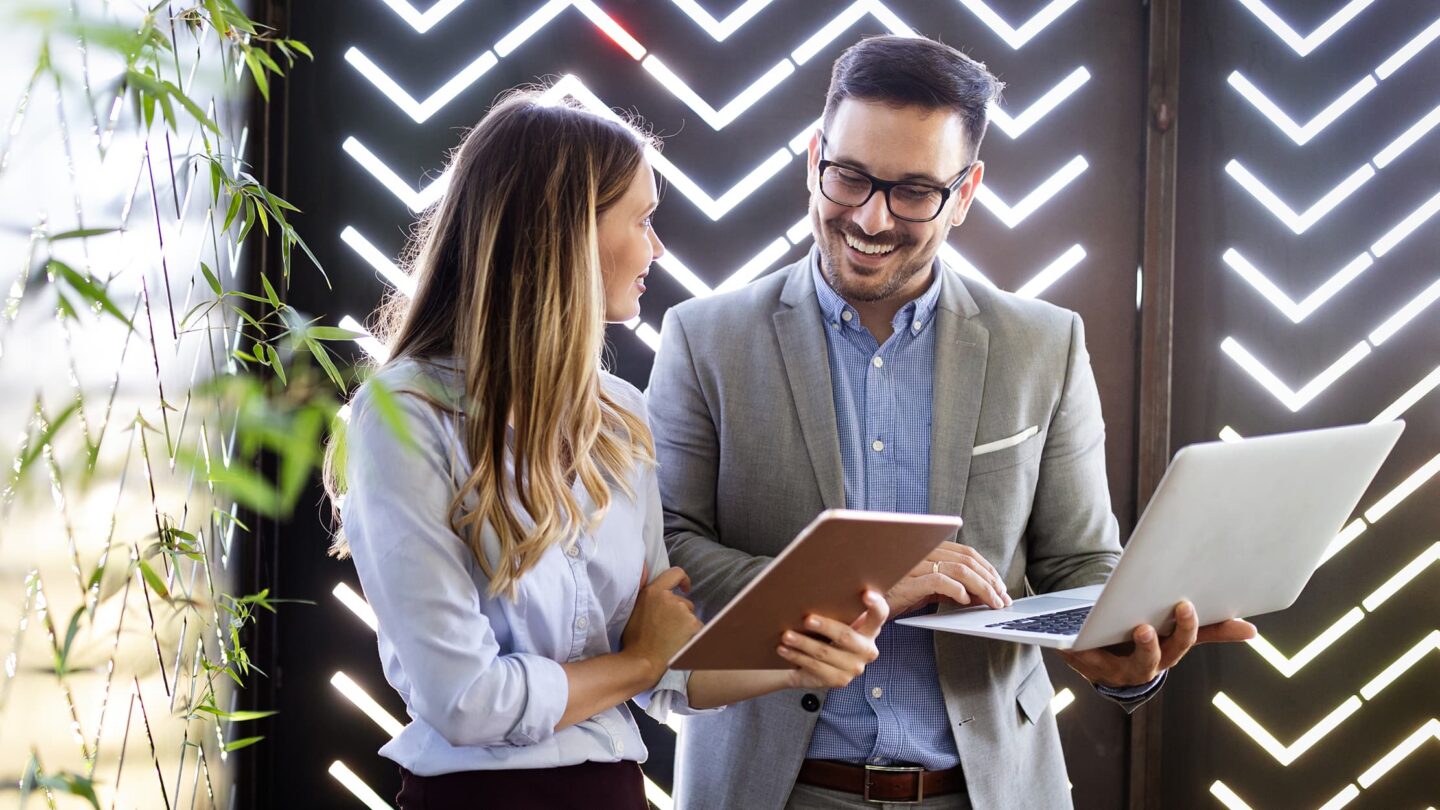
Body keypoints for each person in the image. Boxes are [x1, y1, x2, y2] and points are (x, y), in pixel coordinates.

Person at [646, 36, 1256, 810]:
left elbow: (1081, 562)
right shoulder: (706, 338)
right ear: (813, 159)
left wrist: (1124, 650)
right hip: (771, 787)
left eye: (913, 191)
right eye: (850, 177)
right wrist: (870, 591)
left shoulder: (1045, 343)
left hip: (990, 791)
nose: (870, 216)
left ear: (965, 192)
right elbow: (667, 551)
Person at [325, 90, 889, 810]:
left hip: (614, 792)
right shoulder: (404, 415)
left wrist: (803, 662)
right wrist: (638, 660)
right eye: (643, 219)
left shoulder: (621, 415)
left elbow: (669, 672)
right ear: (562, 234)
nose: (657, 248)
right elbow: (463, 698)